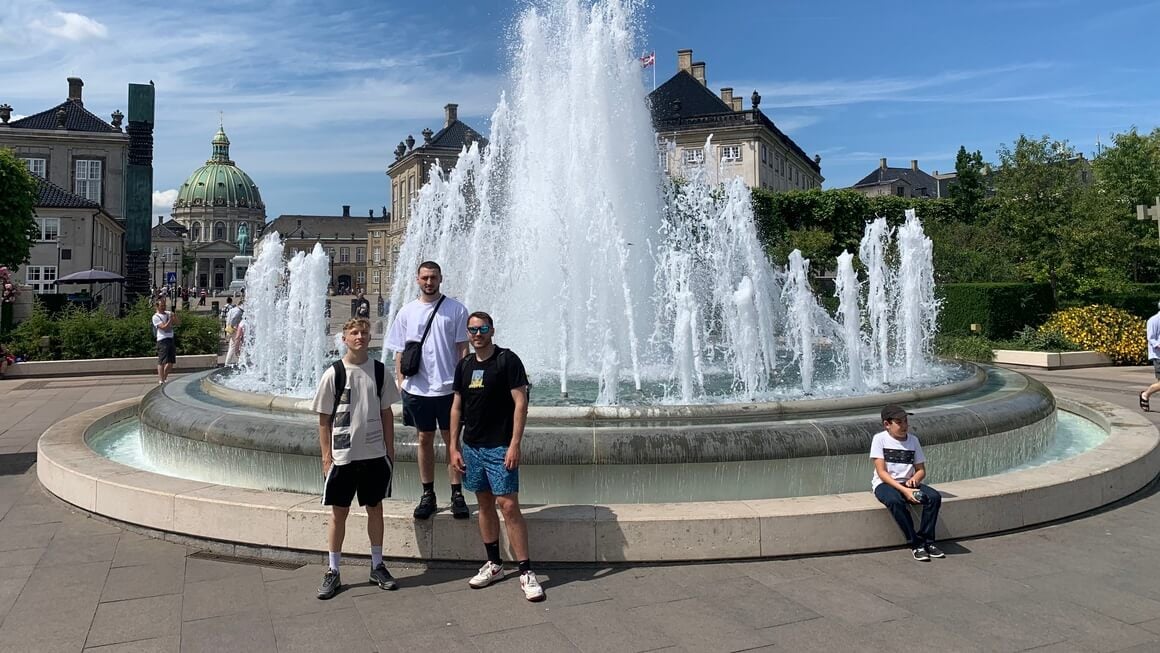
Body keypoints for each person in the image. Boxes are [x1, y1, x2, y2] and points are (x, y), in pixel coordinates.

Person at [449, 312, 543, 601]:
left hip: (500, 446)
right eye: (473, 330)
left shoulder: (507, 360)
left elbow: (520, 403)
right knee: (484, 503)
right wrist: (453, 446)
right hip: (473, 447)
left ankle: (526, 570)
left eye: (483, 329)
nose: (477, 334)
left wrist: (515, 443)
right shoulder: (464, 365)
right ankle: (494, 563)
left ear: (491, 330)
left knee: (509, 505)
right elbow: (456, 407)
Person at [312, 317, 401, 600]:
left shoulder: (378, 370)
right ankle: (333, 570)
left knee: (375, 509)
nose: (360, 337)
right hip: (343, 455)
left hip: (374, 454)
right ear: (344, 338)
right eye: (354, 333)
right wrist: (326, 456)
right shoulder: (335, 373)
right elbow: (323, 419)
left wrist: (390, 448)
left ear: (369, 336)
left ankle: (377, 565)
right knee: (340, 512)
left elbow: (387, 411)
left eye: (363, 332)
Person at [385, 261, 471, 520]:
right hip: (417, 389)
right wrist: (401, 382)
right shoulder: (407, 312)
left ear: (441, 279)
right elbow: (399, 351)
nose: (429, 282)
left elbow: (462, 350)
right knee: (424, 439)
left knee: (452, 440)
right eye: (424, 277)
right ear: (417, 280)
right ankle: (428, 493)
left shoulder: (456, 309)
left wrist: (462, 386)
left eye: (433, 277)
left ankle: (457, 493)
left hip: (447, 388)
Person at [871, 404, 944, 562]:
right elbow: (882, 472)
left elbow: (921, 470)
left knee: (934, 497)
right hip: (886, 484)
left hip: (909, 484)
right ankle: (915, 544)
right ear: (887, 424)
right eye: (899, 422)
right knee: (894, 501)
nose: (904, 426)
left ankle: (927, 541)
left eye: (905, 421)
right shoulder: (879, 439)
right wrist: (905, 492)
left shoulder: (913, 440)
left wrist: (915, 480)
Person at [151, 298, 179, 384]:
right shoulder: (155, 317)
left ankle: (165, 377)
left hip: (170, 338)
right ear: (157, 306)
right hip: (162, 340)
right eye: (161, 306)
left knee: (170, 362)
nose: (163, 307)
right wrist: (170, 320)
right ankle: (161, 380)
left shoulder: (168, 314)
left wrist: (174, 316)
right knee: (162, 361)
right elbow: (164, 327)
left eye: (164, 306)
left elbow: (178, 323)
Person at [1140, 301, 1160, 411]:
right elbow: (1151, 338)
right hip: (1158, 356)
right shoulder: (1154, 320)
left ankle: (1146, 394)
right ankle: (1145, 394)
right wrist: (1158, 345)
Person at [224, 301, 245, 366]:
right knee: (235, 346)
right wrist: (233, 326)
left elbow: (228, 318)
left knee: (232, 346)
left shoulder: (232, 310)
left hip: (229, 329)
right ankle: (229, 363)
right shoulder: (238, 311)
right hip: (234, 330)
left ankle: (229, 362)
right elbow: (234, 319)